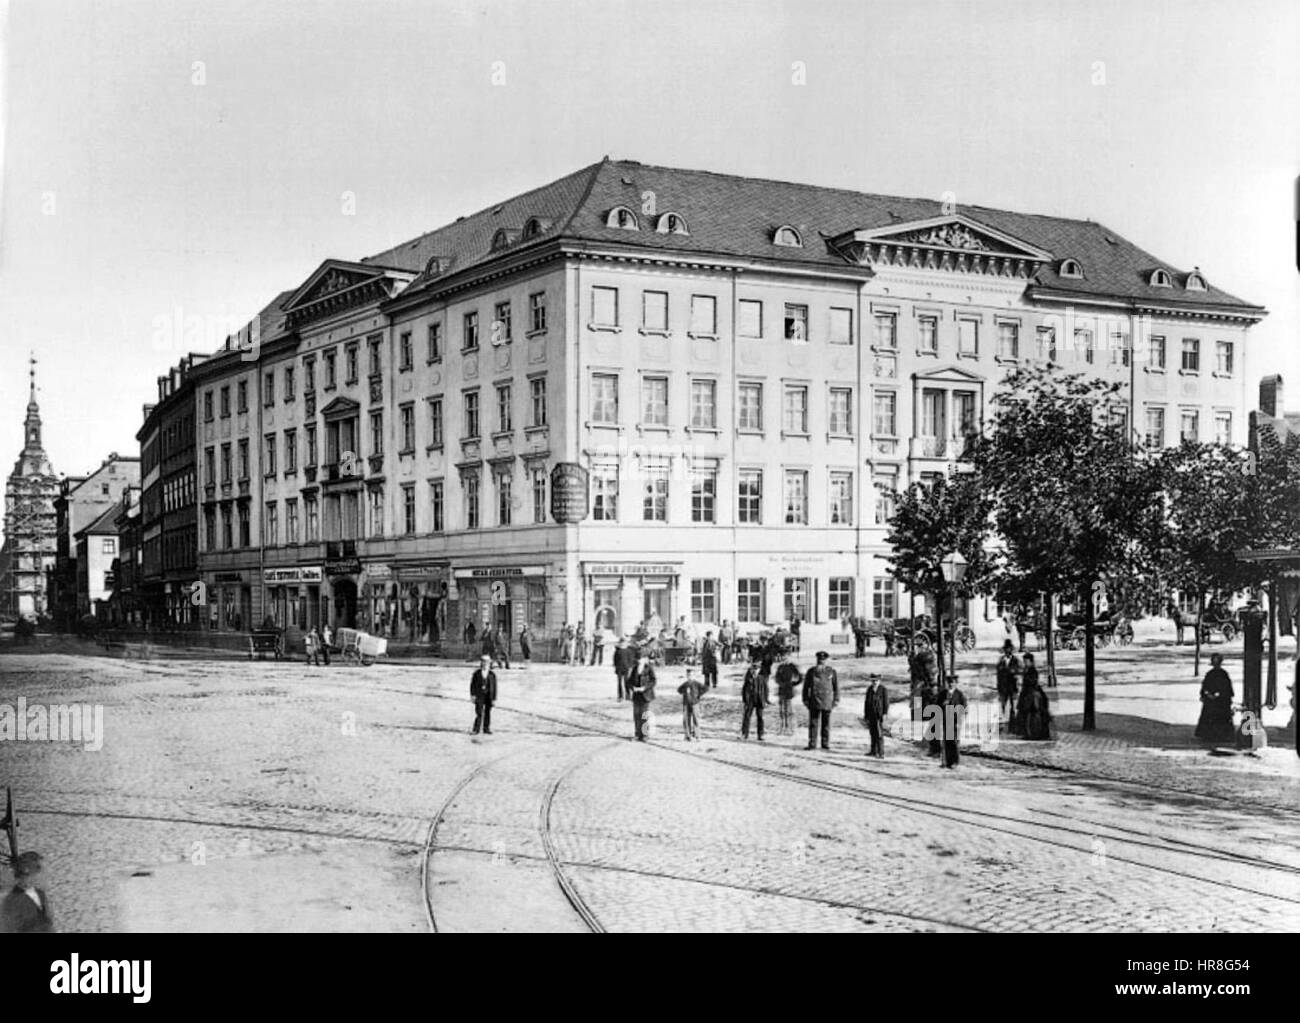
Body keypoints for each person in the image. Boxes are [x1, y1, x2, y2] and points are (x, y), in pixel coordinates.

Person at [0, 851, 55, 933]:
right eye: (39, 868)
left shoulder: (41, 894)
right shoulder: (12, 901)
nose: (45, 872)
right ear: (26, 870)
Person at [1194, 652, 1235, 743]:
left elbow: (1228, 689)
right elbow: (1205, 686)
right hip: (1210, 701)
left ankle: (1223, 735)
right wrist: (1206, 694)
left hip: (1221, 701)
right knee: (1209, 714)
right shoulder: (1209, 674)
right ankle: (1208, 734)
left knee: (1222, 716)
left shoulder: (1224, 674)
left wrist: (1220, 695)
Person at [802, 650, 838, 750]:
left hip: (827, 701)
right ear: (817, 660)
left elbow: (836, 687)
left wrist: (836, 700)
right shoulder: (811, 672)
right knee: (813, 723)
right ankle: (812, 744)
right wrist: (805, 699)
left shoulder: (831, 671)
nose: (821, 662)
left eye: (823, 660)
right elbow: (806, 687)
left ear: (826, 660)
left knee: (826, 724)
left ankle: (825, 743)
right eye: (819, 660)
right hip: (814, 701)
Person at [1017, 654, 1052, 740]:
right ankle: (1029, 733)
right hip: (1027, 694)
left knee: (1034, 715)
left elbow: (1033, 682)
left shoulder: (1032, 670)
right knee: (1027, 715)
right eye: (1024, 661)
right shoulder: (1027, 670)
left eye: (1026, 661)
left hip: (1032, 694)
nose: (1025, 663)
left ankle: (1035, 734)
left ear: (1031, 661)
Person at [939, 675, 967, 768]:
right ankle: (946, 761)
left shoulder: (959, 695)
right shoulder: (943, 694)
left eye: (953, 683)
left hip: (955, 720)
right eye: (949, 683)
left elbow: (964, 708)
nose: (951, 685)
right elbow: (937, 706)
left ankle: (955, 762)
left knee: (954, 741)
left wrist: (961, 719)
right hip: (946, 719)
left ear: (956, 684)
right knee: (946, 741)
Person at [628, 653, 657, 741]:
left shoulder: (649, 668)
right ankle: (637, 734)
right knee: (636, 715)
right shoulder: (635, 668)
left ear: (645, 659)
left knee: (644, 715)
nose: (639, 660)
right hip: (637, 695)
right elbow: (629, 681)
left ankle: (645, 735)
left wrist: (645, 688)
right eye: (638, 659)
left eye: (641, 658)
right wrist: (633, 688)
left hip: (646, 695)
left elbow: (653, 681)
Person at [996, 640, 1022, 731]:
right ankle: (1001, 725)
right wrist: (998, 687)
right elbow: (998, 674)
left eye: (1009, 649)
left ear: (1012, 649)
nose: (1008, 650)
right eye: (1006, 649)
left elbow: (1019, 672)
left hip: (1013, 687)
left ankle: (1013, 726)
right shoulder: (1001, 660)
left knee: (1013, 707)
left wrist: (1014, 673)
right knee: (1002, 706)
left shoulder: (1016, 660)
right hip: (1003, 688)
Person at [774, 651, 802, 735]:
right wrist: (780, 683)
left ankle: (791, 728)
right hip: (782, 690)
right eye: (783, 657)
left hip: (789, 690)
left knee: (790, 710)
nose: (784, 658)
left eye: (786, 656)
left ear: (789, 657)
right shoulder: (780, 667)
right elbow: (776, 678)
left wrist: (793, 684)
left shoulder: (792, 666)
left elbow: (800, 677)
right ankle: (782, 727)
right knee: (782, 710)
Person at [741, 657, 769, 740]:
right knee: (747, 716)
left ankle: (760, 734)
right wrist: (745, 699)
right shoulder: (748, 676)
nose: (754, 671)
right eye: (753, 668)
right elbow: (744, 688)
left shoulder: (762, 676)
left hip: (759, 699)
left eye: (756, 668)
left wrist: (766, 699)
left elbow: (765, 689)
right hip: (750, 699)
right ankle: (744, 733)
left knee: (760, 717)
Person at [862, 673, 889, 758]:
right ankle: (873, 751)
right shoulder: (869, 689)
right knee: (872, 733)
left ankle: (881, 752)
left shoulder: (883, 689)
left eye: (876, 681)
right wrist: (866, 715)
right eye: (873, 681)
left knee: (879, 734)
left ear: (879, 681)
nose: (874, 682)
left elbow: (886, 703)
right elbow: (866, 703)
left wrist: (885, 714)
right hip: (871, 715)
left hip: (879, 715)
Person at [469, 655, 497, 735]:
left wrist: (494, 699)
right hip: (479, 695)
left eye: (486, 662)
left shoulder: (492, 674)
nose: (485, 664)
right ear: (481, 663)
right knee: (479, 712)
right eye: (483, 662)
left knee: (488, 712)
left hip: (489, 695)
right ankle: (476, 729)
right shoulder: (476, 673)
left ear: (489, 663)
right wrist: (473, 695)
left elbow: (495, 687)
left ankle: (486, 728)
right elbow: (472, 685)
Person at [678, 668, 704, 741]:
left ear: (694, 675)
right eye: (688, 675)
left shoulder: (697, 683)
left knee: (696, 719)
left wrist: (698, 695)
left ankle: (697, 735)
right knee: (686, 720)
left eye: (691, 675)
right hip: (686, 704)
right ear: (686, 676)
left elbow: (705, 689)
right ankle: (687, 735)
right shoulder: (685, 684)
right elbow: (679, 690)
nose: (690, 676)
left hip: (694, 704)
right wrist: (684, 694)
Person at [613, 636, 636, 700]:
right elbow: (615, 660)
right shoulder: (617, 651)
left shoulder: (628, 650)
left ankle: (628, 695)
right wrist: (616, 667)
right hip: (619, 668)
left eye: (623, 642)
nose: (622, 644)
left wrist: (630, 667)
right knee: (619, 683)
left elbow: (631, 660)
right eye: (621, 642)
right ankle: (620, 696)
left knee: (627, 682)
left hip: (626, 668)